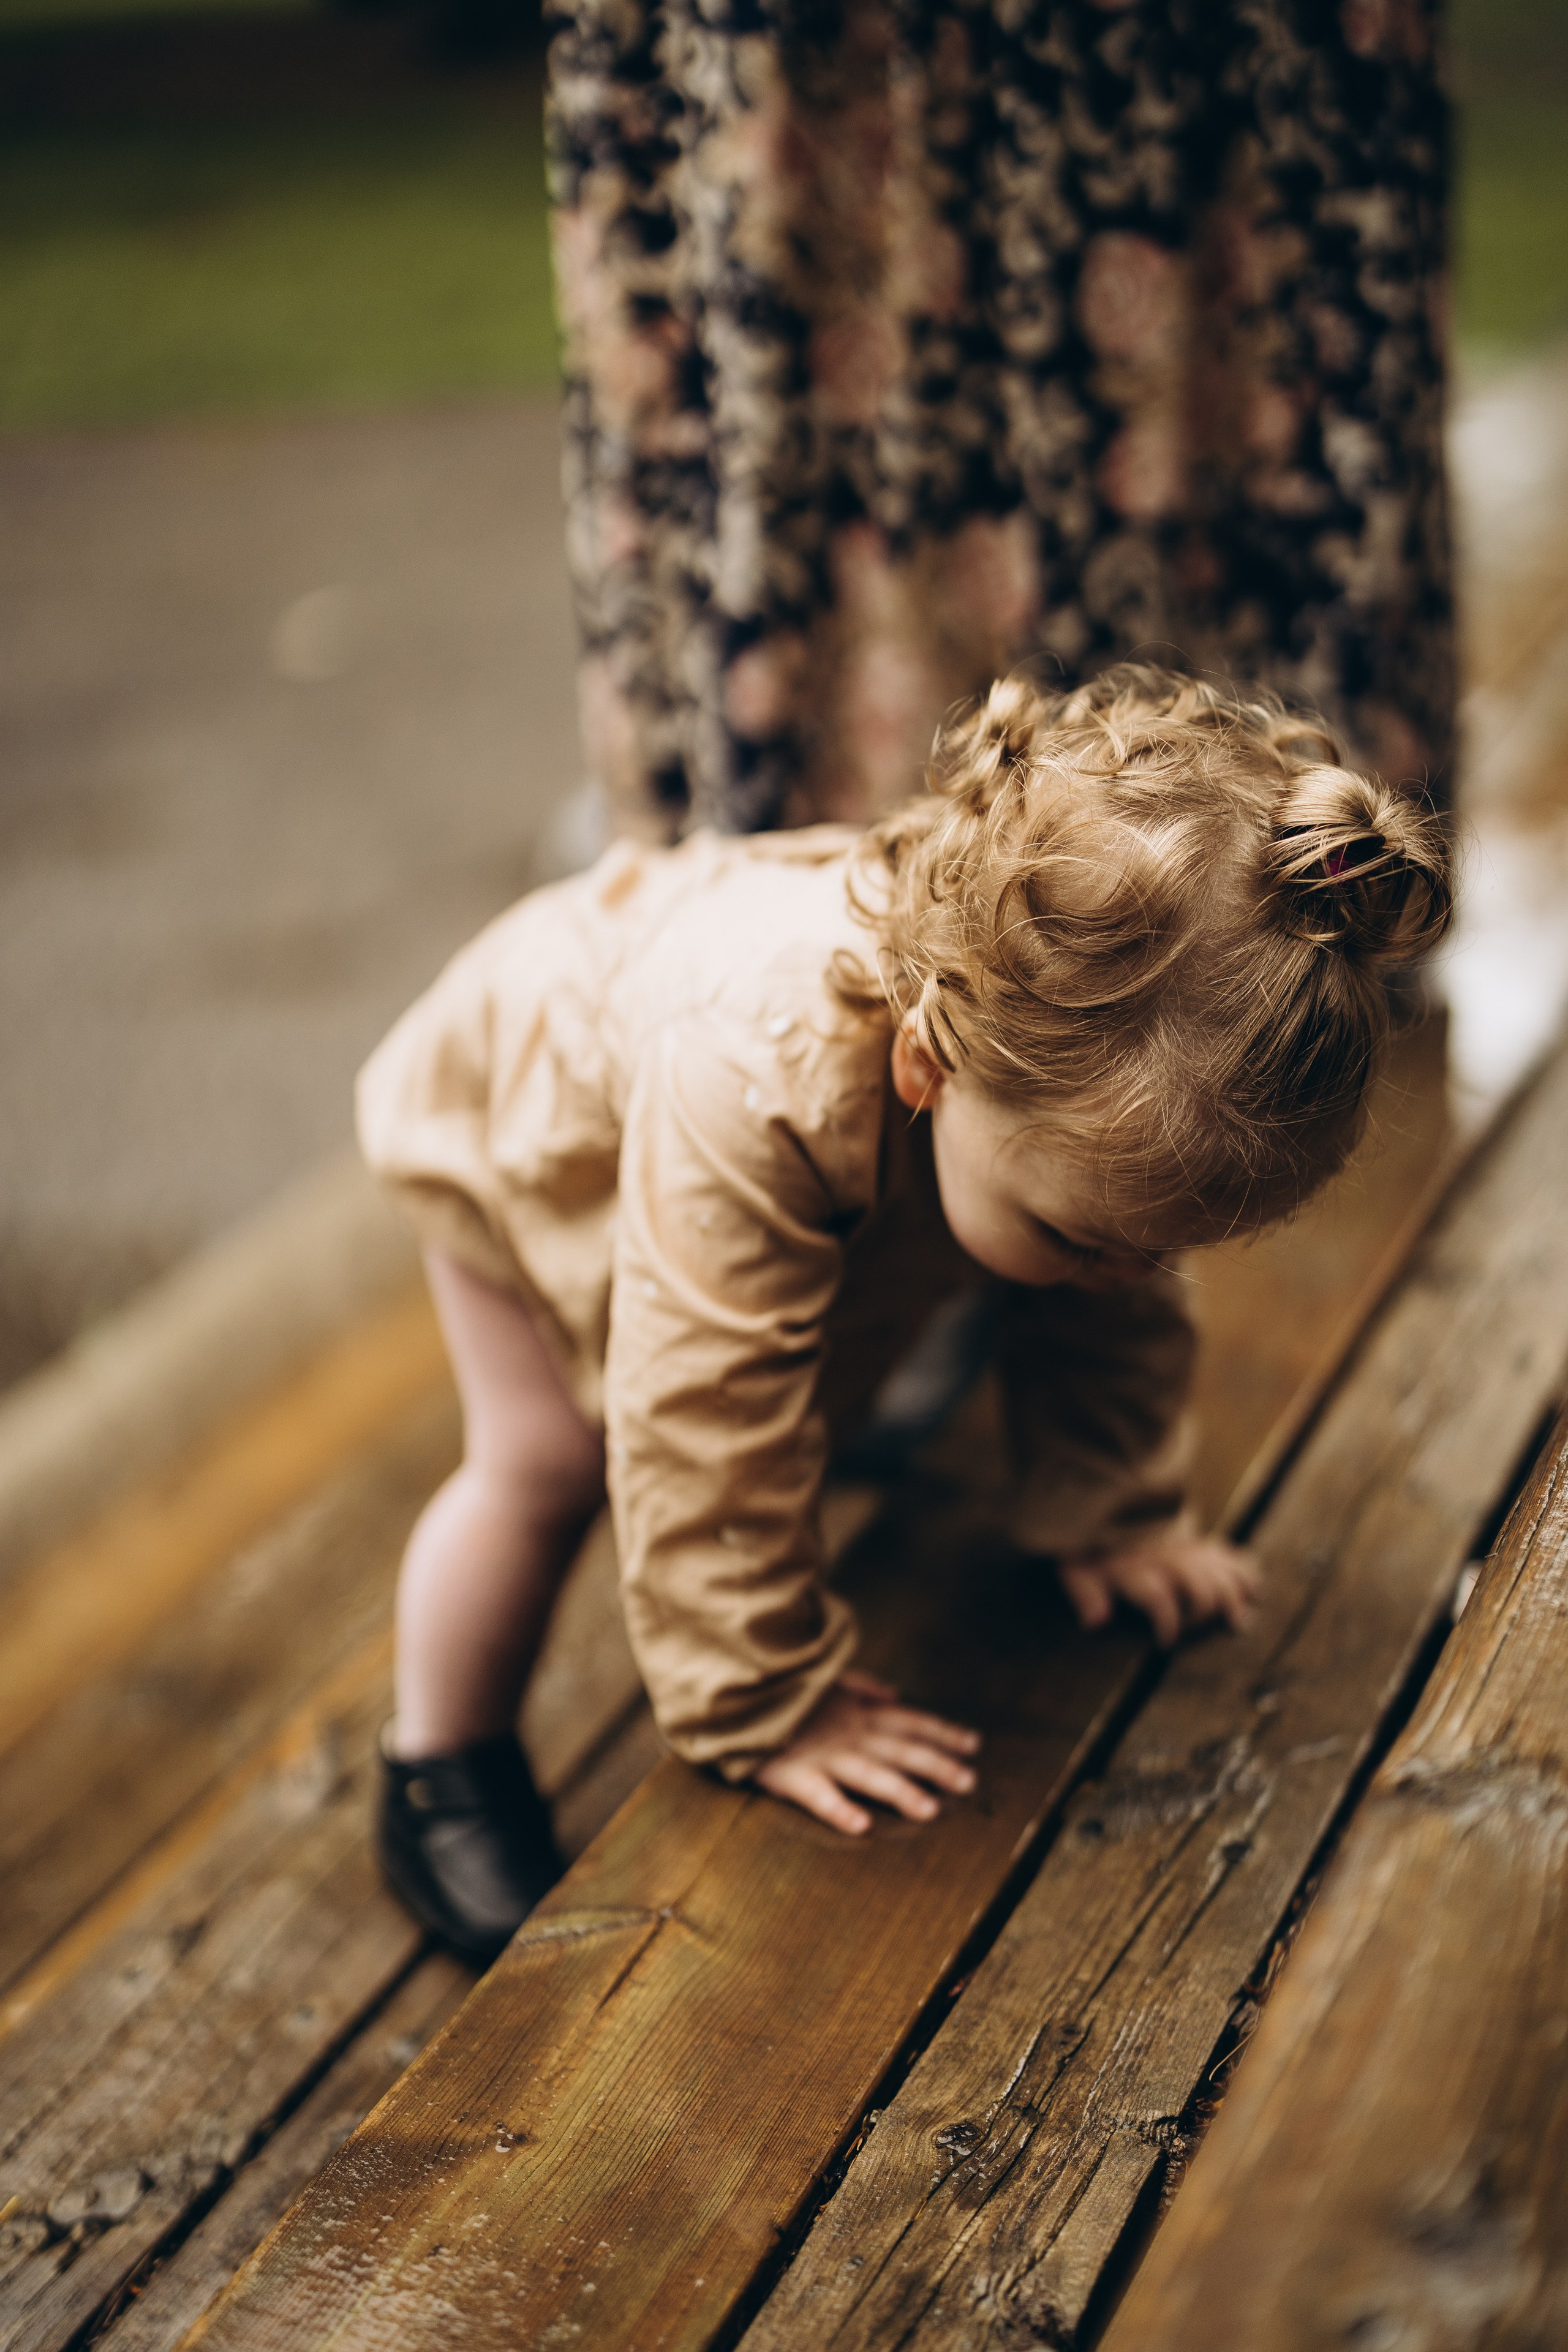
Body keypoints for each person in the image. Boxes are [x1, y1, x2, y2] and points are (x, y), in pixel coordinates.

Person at [357, 663, 1450, 1962]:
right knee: (542, 1461)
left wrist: (1113, 1509)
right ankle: (436, 1765)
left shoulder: (1068, 1036)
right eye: (1080, 1237)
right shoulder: (747, 1080)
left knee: (986, 1272)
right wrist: (765, 1701)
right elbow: (699, 1418)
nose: (1122, 1273)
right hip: (525, 1120)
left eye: (1150, 1247)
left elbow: (1102, 1293)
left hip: (773, 1135)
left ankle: (954, 1333)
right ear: (925, 1060)